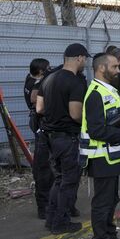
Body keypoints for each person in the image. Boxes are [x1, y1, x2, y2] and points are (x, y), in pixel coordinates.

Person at [80, 53, 120, 239]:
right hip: (101, 159)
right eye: (114, 67)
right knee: (103, 203)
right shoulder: (95, 94)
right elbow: (96, 130)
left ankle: (109, 234)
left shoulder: (110, 90)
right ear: (101, 68)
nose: (118, 70)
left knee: (112, 200)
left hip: (115, 155)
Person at [36, 43, 89, 234]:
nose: (85, 63)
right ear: (79, 58)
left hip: (49, 137)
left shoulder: (49, 78)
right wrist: (90, 121)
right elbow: (76, 114)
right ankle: (60, 222)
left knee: (59, 180)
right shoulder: (74, 82)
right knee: (68, 182)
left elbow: (39, 108)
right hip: (67, 138)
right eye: (85, 59)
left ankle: (52, 219)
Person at [24, 58, 53, 219]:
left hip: (37, 122)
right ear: (41, 71)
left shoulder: (29, 78)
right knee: (43, 166)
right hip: (40, 122)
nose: (50, 70)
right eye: (47, 68)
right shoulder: (36, 83)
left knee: (45, 165)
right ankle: (44, 205)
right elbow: (35, 100)